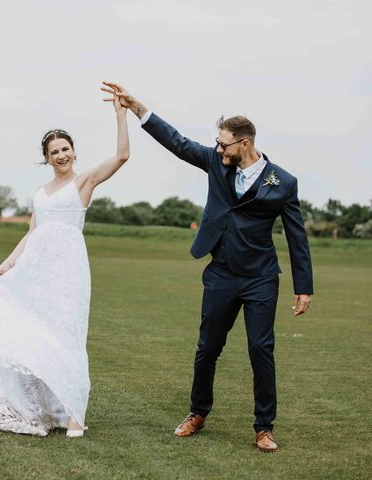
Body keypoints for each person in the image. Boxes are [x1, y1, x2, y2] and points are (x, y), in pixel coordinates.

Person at [101, 82, 313, 452]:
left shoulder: (283, 183)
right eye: (217, 142)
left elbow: (297, 237)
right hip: (221, 274)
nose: (218, 148)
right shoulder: (217, 162)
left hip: (261, 277)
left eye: (224, 143)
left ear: (244, 144)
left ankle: (264, 427)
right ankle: (197, 413)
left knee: (260, 349)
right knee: (207, 347)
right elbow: (179, 143)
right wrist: (139, 109)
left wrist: (304, 286)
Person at [0, 84, 129, 437]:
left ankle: (74, 414)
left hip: (69, 272)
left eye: (65, 149)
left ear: (74, 152)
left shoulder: (84, 183)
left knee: (69, 339)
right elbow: (31, 233)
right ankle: (45, 409)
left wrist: (120, 114)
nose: (60, 155)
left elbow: (121, 156)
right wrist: (6, 264)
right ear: (45, 157)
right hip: (36, 272)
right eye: (53, 151)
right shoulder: (40, 194)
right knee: (35, 335)